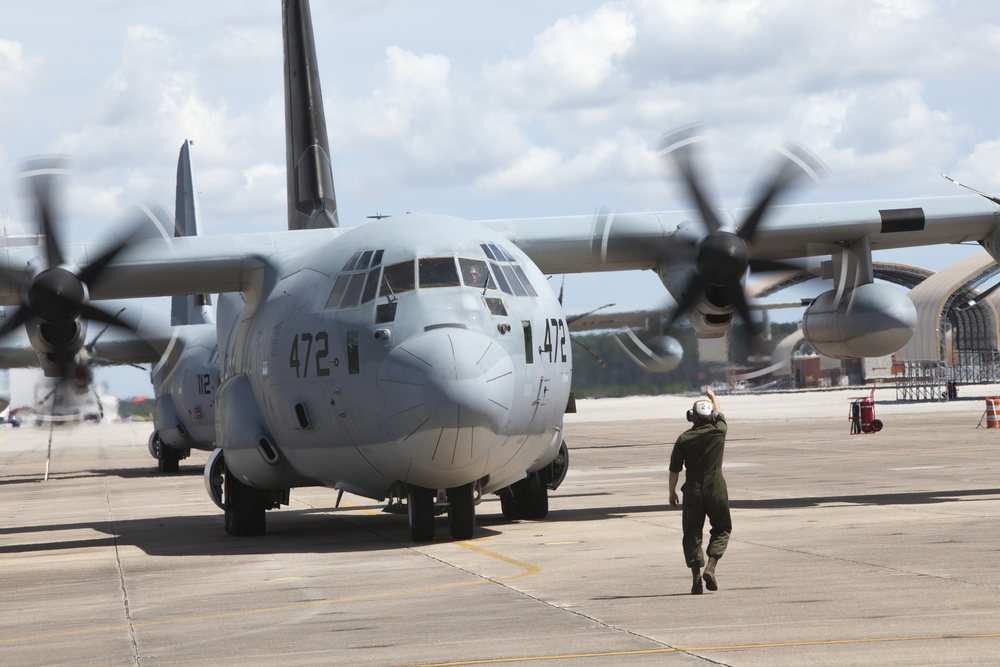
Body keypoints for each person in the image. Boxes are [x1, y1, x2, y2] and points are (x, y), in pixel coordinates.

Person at [668, 386, 731, 594]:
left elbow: (674, 470)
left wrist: (672, 492)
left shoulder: (684, 439)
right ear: (711, 415)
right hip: (716, 488)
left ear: (691, 417)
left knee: (692, 534)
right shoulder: (720, 431)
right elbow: (719, 414)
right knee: (722, 528)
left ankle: (696, 578)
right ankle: (711, 566)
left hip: (693, 491)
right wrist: (713, 397)